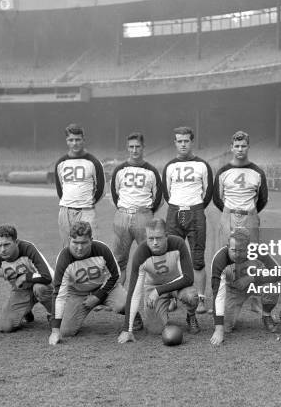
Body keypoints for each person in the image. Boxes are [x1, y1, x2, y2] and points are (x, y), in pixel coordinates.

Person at [48, 221, 131, 345]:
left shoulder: (102, 249)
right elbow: (59, 295)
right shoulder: (64, 259)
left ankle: (134, 319)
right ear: (70, 239)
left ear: (91, 240)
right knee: (65, 331)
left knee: (123, 304)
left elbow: (115, 276)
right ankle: (60, 319)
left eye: (84, 243)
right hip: (78, 293)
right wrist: (55, 331)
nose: (79, 248)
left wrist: (98, 296)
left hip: (105, 287)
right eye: (75, 242)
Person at [118, 219, 199, 343]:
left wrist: (159, 290)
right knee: (155, 329)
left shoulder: (178, 244)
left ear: (166, 236)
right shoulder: (141, 253)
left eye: (158, 238)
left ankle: (191, 316)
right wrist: (127, 330)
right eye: (151, 239)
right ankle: (164, 311)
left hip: (178, 285)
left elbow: (188, 278)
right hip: (153, 287)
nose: (155, 243)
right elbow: (134, 292)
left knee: (191, 296)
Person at [162, 126, 213, 314]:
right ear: (175, 143)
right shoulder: (169, 166)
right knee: (171, 257)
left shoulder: (202, 165)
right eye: (179, 141)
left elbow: (208, 193)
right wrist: (179, 205)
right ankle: (172, 297)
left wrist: (195, 207)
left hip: (196, 212)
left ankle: (200, 299)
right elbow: (166, 193)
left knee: (197, 258)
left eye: (186, 141)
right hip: (175, 212)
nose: (183, 144)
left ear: (191, 142)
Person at [209, 229, 281, 346]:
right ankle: (229, 311)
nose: (237, 254)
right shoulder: (219, 259)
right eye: (233, 250)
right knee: (226, 327)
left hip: (255, 284)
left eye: (241, 250)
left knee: (272, 286)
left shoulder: (258, 251)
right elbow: (218, 294)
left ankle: (266, 315)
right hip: (233, 289)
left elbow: (278, 273)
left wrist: (251, 278)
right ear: (228, 246)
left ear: (249, 247)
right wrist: (218, 330)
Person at [110, 132, 162, 285]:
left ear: (143, 147)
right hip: (122, 216)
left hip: (143, 216)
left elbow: (158, 197)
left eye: (137, 147)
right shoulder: (119, 170)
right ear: (127, 148)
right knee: (119, 260)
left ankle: (157, 295)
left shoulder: (151, 171)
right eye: (131, 147)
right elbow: (115, 194)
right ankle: (117, 298)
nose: (134, 150)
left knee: (151, 257)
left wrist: (147, 212)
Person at [54, 123, 105, 247]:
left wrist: (88, 203)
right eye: (71, 140)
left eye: (78, 139)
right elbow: (60, 188)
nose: (74, 143)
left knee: (90, 247)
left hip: (86, 211)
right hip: (65, 211)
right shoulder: (61, 163)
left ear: (83, 140)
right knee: (67, 248)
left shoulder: (93, 162)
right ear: (66, 141)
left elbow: (101, 189)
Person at [213, 130, 268, 244]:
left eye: (243, 146)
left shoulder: (257, 172)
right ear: (231, 147)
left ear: (248, 147)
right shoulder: (223, 172)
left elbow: (263, 199)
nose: (240, 149)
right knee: (227, 251)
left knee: (251, 253)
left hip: (250, 217)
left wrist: (251, 212)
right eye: (237, 146)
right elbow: (216, 198)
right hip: (229, 217)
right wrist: (228, 212)